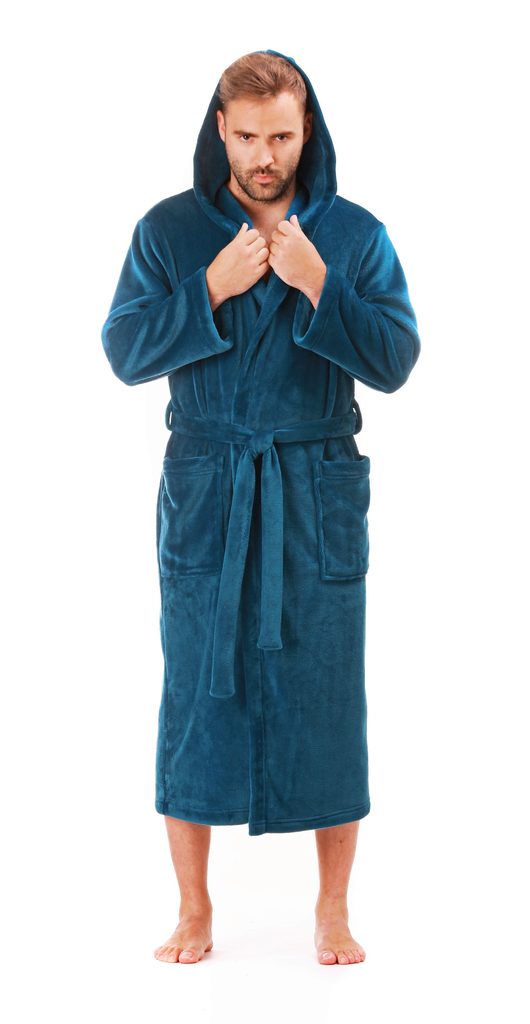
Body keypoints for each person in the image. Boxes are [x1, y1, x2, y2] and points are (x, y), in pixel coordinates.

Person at [101, 48, 421, 966]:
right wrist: (211, 288)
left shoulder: (353, 235)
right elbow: (124, 350)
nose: (264, 156)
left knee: (329, 695)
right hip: (210, 490)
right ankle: (194, 910)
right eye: (247, 137)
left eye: (280, 135)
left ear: (306, 127)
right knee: (193, 697)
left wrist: (321, 282)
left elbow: (396, 360)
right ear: (221, 130)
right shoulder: (169, 232)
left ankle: (333, 910)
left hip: (315, 491)